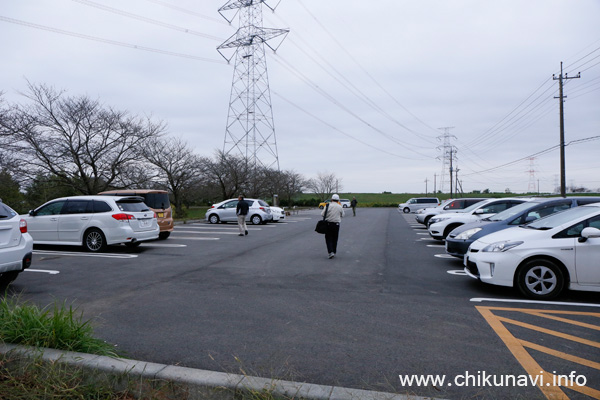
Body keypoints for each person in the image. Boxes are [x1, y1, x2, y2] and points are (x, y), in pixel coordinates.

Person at [321, 194, 344, 258]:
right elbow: (343, 215)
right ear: (338, 200)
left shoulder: (328, 205)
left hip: (328, 224)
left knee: (328, 238)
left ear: (331, 199)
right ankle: (334, 251)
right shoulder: (340, 207)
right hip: (336, 224)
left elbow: (322, 214)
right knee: (335, 238)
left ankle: (330, 251)